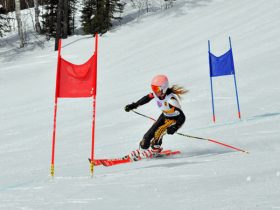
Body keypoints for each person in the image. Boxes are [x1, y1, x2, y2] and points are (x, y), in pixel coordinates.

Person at [124, 75, 188, 160]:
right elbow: (146, 98)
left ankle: (155, 149)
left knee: (158, 132)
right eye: (153, 88)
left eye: (156, 89)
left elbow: (182, 117)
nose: (154, 91)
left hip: (174, 119)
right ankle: (142, 149)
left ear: (164, 88)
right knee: (147, 135)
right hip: (164, 116)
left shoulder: (171, 100)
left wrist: (175, 127)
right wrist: (134, 105)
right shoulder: (157, 94)